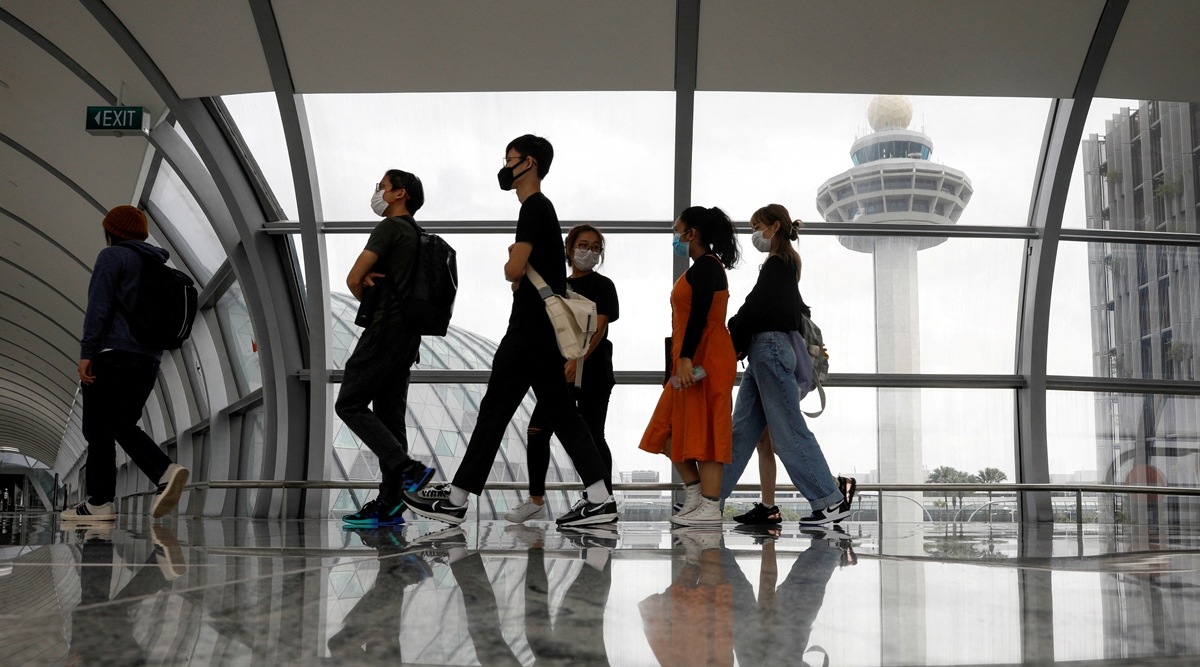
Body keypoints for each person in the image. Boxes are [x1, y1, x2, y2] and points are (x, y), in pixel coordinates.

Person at [405, 134, 615, 527]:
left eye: (510, 159)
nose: (505, 166)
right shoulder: (540, 210)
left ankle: (455, 498)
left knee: (497, 412)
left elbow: (514, 271)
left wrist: (511, 265)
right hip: (537, 334)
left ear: (529, 163)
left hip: (527, 333)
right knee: (552, 413)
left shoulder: (535, 207)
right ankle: (600, 498)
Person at [720, 204, 855, 525]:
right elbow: (788, 310)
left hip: (770, 349)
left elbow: (755, 308)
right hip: (762, 353)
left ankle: (831, 499)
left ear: (775, 227)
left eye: (758, 226)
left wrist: (732, 333)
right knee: (740, 433)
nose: (754, 234)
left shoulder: (778, 265)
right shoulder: (783, 266)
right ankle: (711, 500)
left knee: (788, 430)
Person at [62, 206, 189, 522]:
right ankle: (101, 502)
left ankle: (157, 472)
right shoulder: (157, 265)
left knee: (101, 425)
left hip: (113, 356)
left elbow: (99, 308)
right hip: (148, 361)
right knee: (112, 424)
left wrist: (87, 353)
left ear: (111, 232)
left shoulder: (113, 258)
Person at [336, 169, 437, 527]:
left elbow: (352, 279)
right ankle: (391, 505)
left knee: (348, 402)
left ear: (400, 194)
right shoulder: (420, 237)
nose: (378, 193)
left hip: (385, 331)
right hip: (410, 338)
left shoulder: (390, 228)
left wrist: (366, 289)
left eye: (382, 187)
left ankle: (408, 470)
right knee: (391, 418)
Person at [506, 224, 620, 523]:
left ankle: (601, 501)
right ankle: (535, 499)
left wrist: (579, 359)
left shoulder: (603, 285)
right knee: (537, 431)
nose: (589, 251)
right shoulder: (557, 284)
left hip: (592, 369)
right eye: (583, 245)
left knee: (594, 433)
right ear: (569, 250)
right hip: (557, 369)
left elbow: (599, 326)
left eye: (596, 247)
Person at [639, 206, 739, 526]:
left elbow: (699, 316)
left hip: (705, 359)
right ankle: (696, 494)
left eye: (677, 229)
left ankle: (710, 507)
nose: (675, 236)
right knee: (664, 430)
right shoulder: (698, 268)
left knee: (708, 430)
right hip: (690, 359)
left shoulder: (708, 267)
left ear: (691, 233)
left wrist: (685, 359)